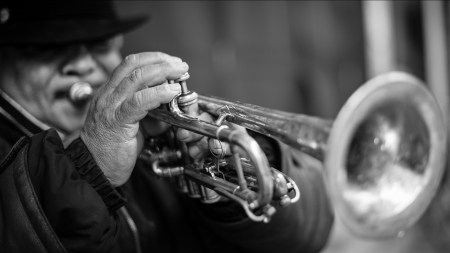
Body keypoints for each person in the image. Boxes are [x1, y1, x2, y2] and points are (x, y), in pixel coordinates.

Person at [0, 1, 334, 253]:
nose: (84, 65)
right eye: (50, 47)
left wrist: (234, 183)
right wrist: (89, 170)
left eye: (100, 44)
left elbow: (310, 235)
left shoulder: (148, 136)